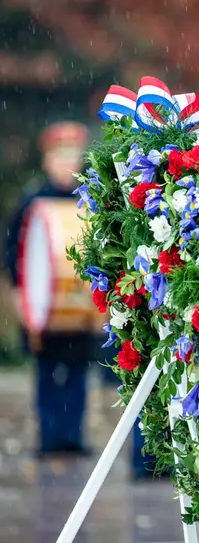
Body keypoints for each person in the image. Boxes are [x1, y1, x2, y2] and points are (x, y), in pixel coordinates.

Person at [4, 120, 93, 457]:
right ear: (47, 160)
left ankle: (72, 437)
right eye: (60, 156)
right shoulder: (33, 200)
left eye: (73, 156)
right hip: (42, 304)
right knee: (46, 373)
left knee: (77, 373)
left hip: (79, 304)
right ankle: (49, 438)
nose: (67, 163)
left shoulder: (89, 198)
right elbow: (15, 253)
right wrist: (22, 300)